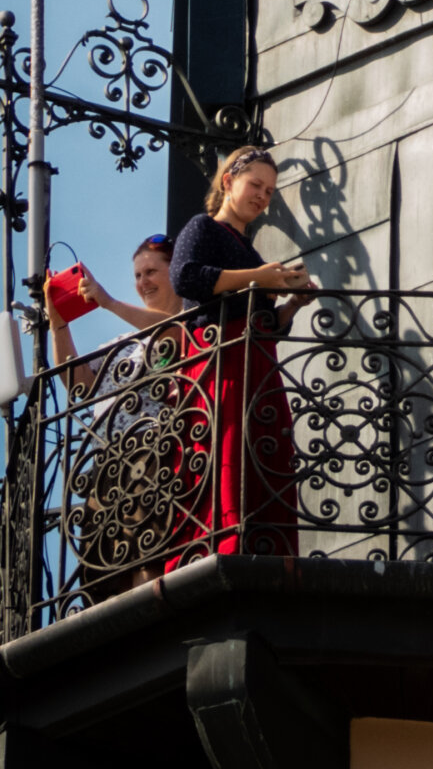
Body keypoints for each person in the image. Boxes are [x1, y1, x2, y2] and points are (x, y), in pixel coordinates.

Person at [169, 146, 313, 560]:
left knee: (261, 454)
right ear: (229, 181)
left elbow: (267, 324)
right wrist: (259, 277)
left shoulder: (251, 253)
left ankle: (265, 549)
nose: (262, 197)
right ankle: (225, 544)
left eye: (269, 191)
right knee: (228, 451)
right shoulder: (203, 227)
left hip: (257, 366)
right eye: (256, 185)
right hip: (222, 362)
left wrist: (293, 303)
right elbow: (185, 277)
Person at [50, 236, 189, 596]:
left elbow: (172, 334)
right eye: (138, 275)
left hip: (152, 455)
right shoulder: (122, 342)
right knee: (102, 569)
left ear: (175, 272)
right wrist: (58, 324)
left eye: (151, 272)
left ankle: (150, 622)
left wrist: (108, 302)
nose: (143, 282)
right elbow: (79, 384)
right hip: (107, 464)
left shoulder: (191, 320)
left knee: (144, 552)